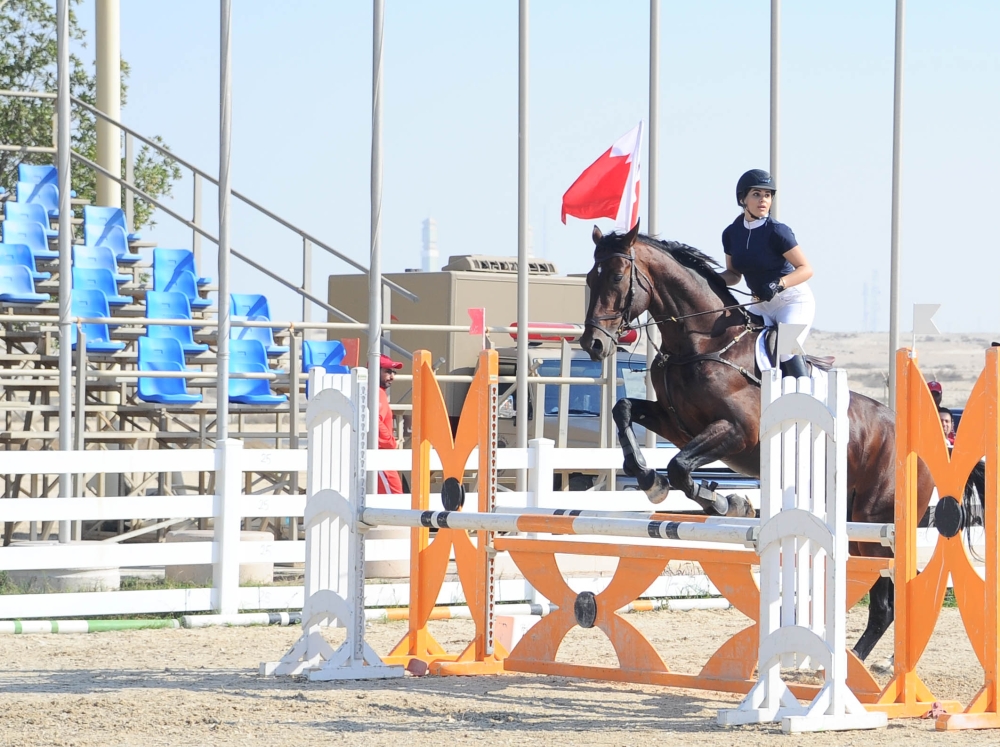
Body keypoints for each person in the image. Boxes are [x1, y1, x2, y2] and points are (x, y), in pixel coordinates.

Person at [717, 169, 815, 379]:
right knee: (739, 344)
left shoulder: (778, 231)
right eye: (756, 194)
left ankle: (805, 396)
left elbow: (806, 269)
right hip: (760, 303)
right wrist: (712, 279)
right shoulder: (731, 233)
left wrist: (778, 284)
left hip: (792, 301)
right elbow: (734, 274)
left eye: (767, 195)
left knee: (787, 348)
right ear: (742, 198)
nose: (763, 200)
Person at [377, 353, 404, 494]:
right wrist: (389, 442)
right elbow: (374, 421)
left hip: (380, 455)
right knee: (394, 496)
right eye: (387, 371)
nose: (392, 376)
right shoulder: (378, 393)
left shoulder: (376, 392)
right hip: (381, 456)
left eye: (393, 372)